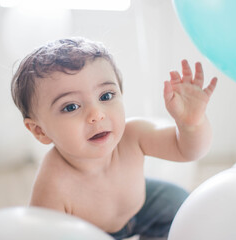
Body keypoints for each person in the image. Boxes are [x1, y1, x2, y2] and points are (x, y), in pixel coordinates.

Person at [11, 37, 217, 240]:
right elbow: (42, 234)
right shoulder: (52, 183)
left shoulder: (133, 134)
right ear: (40, 131)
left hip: (140, 208)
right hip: (88, 233)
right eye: (71, 107)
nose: (96, 114)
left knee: (178, 202)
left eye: (106, 96)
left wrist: (192, 124)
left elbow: (189, 150)